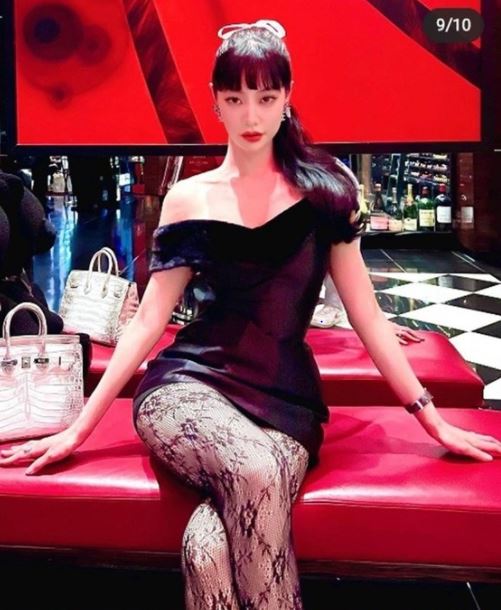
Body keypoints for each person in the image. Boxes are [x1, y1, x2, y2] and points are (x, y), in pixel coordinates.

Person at [1, 19, 500, 610]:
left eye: (265, 97)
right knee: (256, 472)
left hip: (285, 403)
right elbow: (149, 321)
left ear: (287, 98)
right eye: (235, 98)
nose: (251, 115)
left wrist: (430, 419)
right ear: (215, 102)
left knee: (206, 547)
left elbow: (367, 315)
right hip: (188, 389)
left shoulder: (327, 194)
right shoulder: (190, 198)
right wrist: (79, 427)